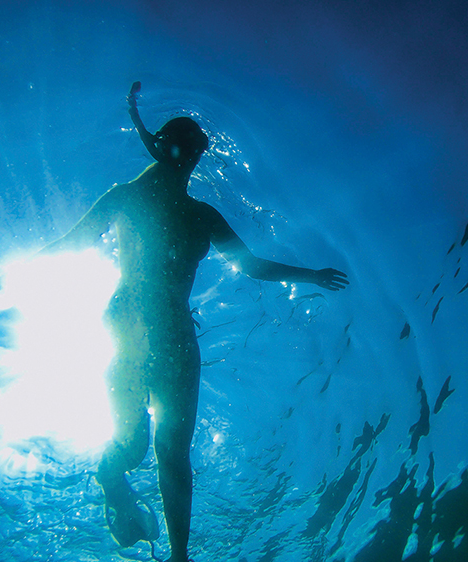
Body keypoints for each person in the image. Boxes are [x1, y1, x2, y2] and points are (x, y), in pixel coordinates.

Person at [41, 81, 346, 561]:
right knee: (136, 448)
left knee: (173, 453)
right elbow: (68, 245)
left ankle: (179, 557)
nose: (192, 156)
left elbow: (252, 267)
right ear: (168, 147)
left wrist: (311, 274)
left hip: (178, 336)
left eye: (198, 149)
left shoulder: (202, 215)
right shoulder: (125, 198)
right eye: (186, 145)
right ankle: (110, 477)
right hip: (126, 328)